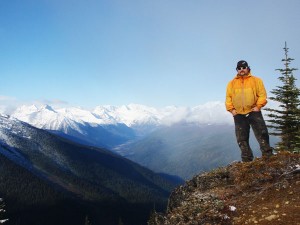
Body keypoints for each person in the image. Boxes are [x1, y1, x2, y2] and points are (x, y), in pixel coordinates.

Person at [225, 60, 273, 162]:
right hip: (238, 114)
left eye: (243, 67)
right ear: (237, 70)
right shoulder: (231, 83)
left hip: (254, 111)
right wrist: (232, 110)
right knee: (241, 139)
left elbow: (262, 95)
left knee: (262, 134)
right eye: (239, 68)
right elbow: (228, 98)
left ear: (248, 68)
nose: (241, 70)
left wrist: (258, 106)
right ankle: (247, 160)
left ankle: (268, 156)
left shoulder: (256, 80)